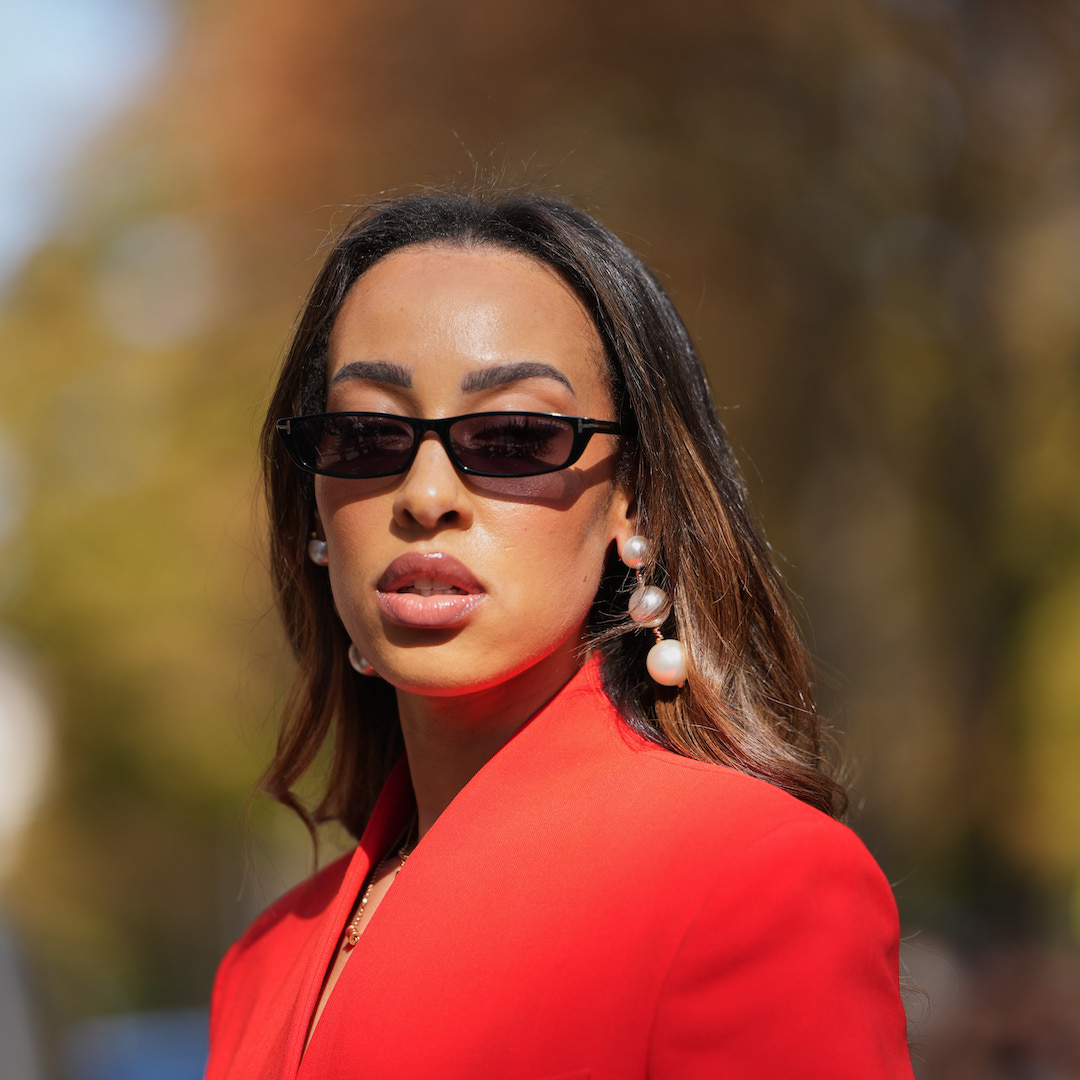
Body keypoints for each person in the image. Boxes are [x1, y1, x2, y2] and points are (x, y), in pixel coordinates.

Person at [204, 189, 915, 1079]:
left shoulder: (749, 883)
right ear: (313, 500)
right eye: (367, 434)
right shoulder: (264, 961)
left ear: (635, 500)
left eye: (512, 436)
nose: (426, 496)